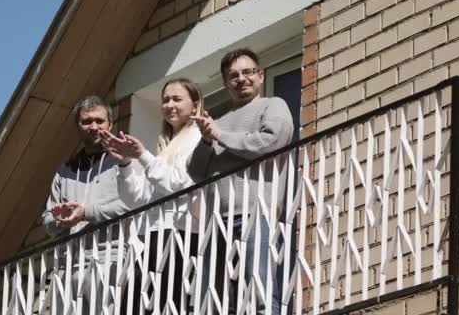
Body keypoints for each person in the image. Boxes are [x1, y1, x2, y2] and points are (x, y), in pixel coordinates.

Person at [187, 48, 294, 314]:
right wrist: (207, 139)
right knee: (217, 299)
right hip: (217, 222)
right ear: (225, 83)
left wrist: (221, 136)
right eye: (233, 75)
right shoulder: (219, 121)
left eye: (248, 72)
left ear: (261, 75)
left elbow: (271, 141)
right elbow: (196, 170)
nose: (241, 79)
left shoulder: (273, 105)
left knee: (259, 290)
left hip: (255, 213)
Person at [100, 78, 204, 313]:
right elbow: (136, 198)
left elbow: (180, 183)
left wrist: (143, 156)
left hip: (182, 234)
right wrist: (126, 163)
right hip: (153, 235)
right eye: (165, 99)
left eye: (177, 99)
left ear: (195, 105)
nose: (169, 104)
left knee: (170, 305)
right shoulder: (164, 145)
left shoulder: (198, 137)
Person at [42, 95, 131, 314]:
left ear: (110, 124)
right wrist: (59, 219)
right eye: (87, 121)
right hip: (68, 266)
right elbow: (47, 220)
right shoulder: (65, 170)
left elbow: (132, 205)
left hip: (110, 259)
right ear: (78, 126)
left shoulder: (124, 161)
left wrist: (86, 213)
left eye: (99, 121)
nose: (93, 126)